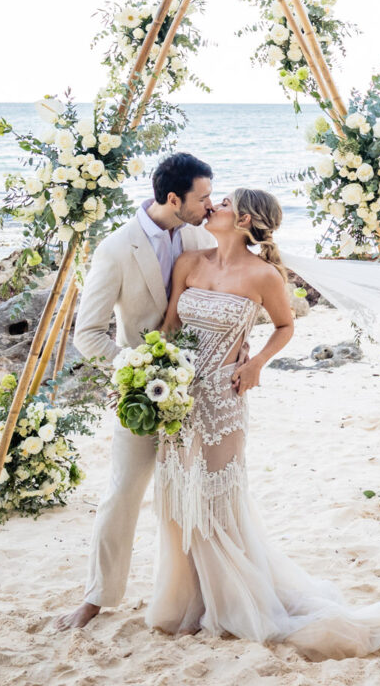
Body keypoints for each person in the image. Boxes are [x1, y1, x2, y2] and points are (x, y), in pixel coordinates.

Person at [145, 187, 380, 656]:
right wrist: (151, 374)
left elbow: (286, 326)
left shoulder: (263, 275)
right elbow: (168, 329)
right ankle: (191, 600)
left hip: (225, 398)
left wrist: (257, 362)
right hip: (178, 398)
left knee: (215, 496)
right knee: (178, 492)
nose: (212, 207)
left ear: (244, 220)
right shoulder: (189, 264)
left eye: (222, 203)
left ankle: (231, 602)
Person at [53, 152, 219, 632]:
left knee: (200, 490)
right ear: (173, 199)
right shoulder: (115, 248)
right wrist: (136, 375)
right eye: (202, 197)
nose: (209, 205)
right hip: (141, 394)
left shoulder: (196, 234)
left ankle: (204, 594)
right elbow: (88, 334)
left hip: (201, 389)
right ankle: (96, 598)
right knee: (124, 492)